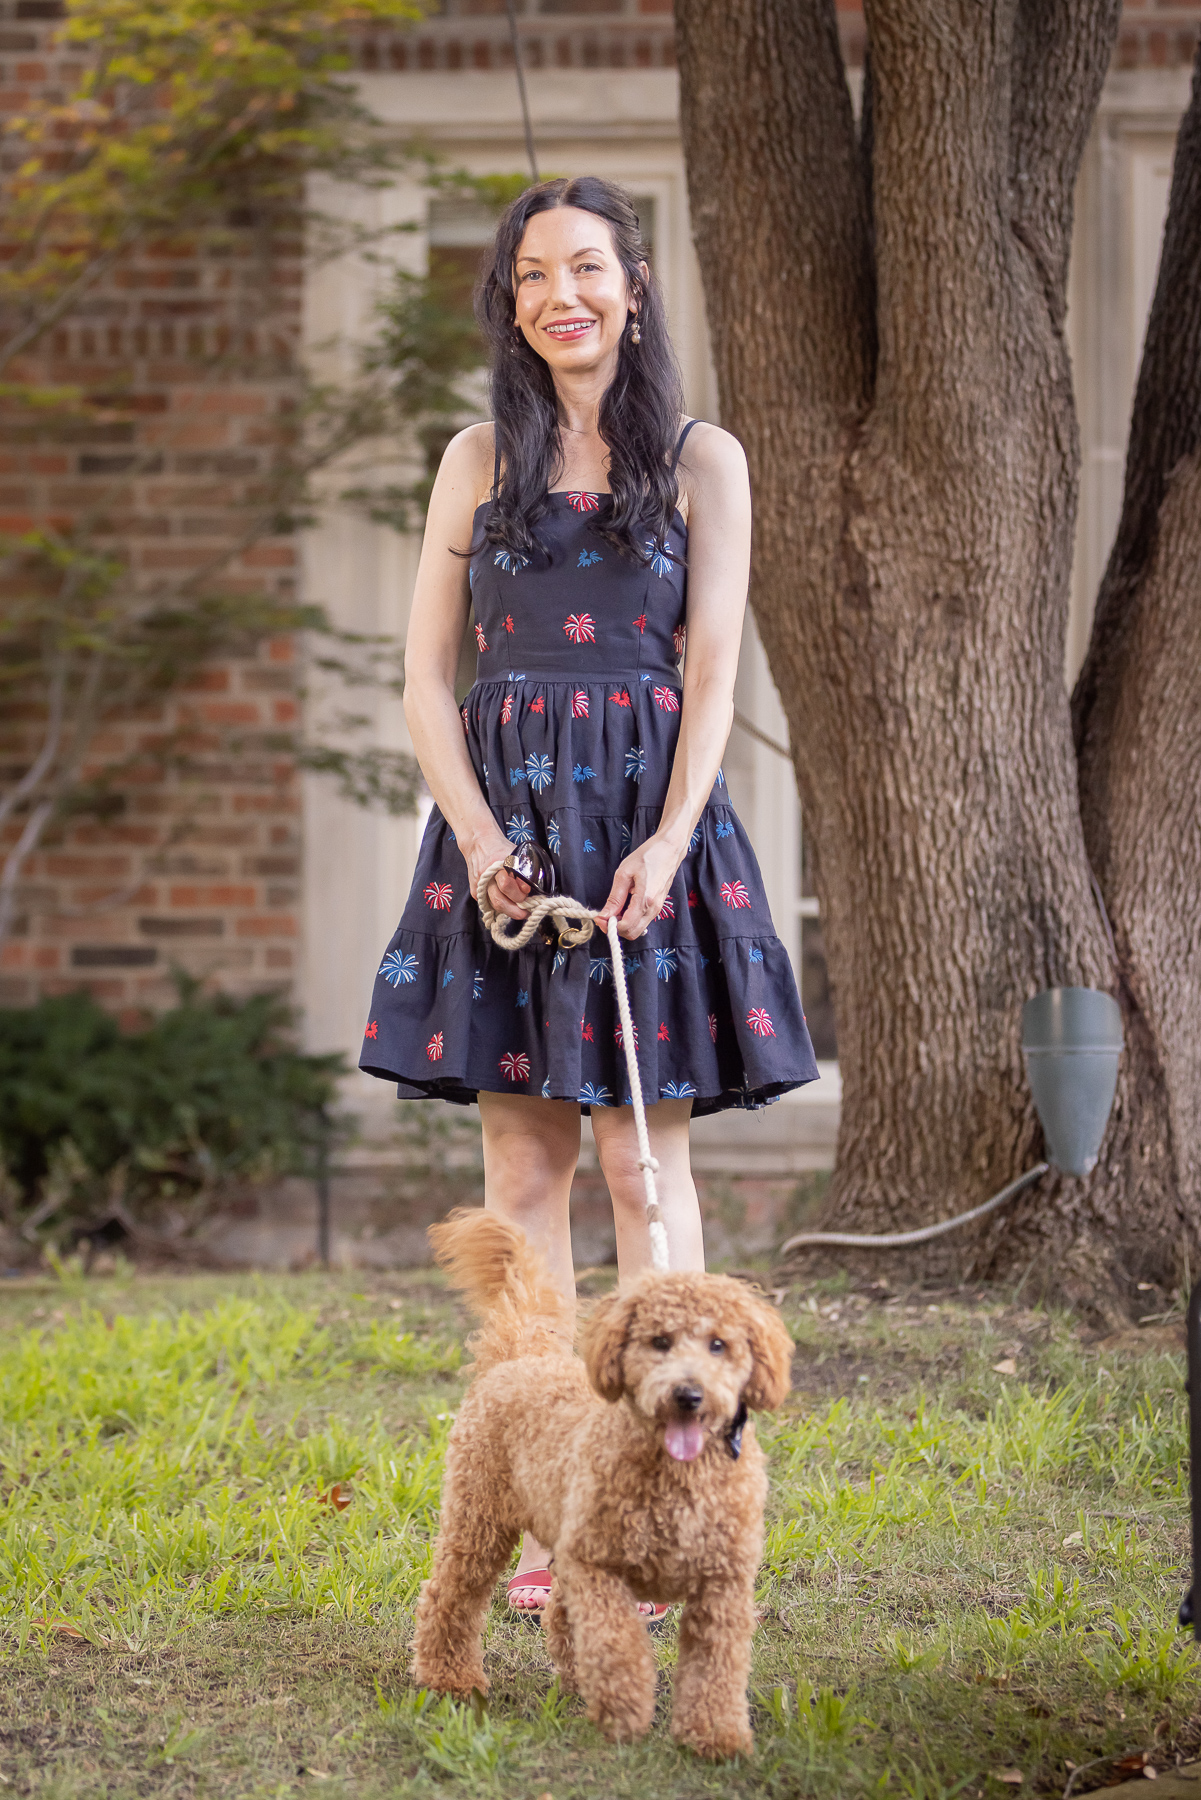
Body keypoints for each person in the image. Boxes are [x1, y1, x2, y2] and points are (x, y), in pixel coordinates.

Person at [360, 176, 818, 1615]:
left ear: (633, 288)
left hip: (641, 838)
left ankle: (685, 1483)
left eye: (588, 269)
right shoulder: (471, 460)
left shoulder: (701, 459)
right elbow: (429, 682)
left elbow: (714, 673)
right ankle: (564, 1503)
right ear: (511, 303)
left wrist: (671, 839)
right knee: (525, 1180)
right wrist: (482, 836)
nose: (563, 294)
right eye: (534, 274)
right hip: (505, 844)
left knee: (639, 1167)